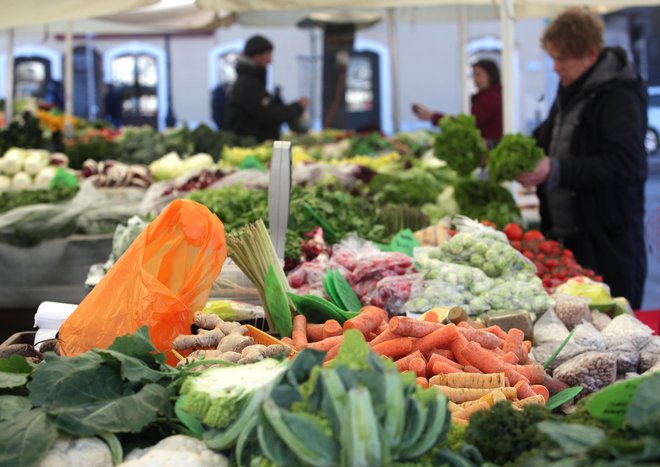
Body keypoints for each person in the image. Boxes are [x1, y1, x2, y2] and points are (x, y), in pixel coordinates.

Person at [517, 8, 648, 308]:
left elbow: (626, 164)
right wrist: (511, 154)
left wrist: (555, 169)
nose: (555, 67)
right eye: (553, 58)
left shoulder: (619, 96)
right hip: (571, 239)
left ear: (590, 54)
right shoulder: (571, 90)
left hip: (607, 241)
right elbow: (546, 136)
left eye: (562, 58)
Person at [227, 35, 309, 142]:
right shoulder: (248, 85)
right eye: (268, 54)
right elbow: (270, 114)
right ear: (257, 56)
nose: (271, 60)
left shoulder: (252, 81)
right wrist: (297, 107)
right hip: (251, 147)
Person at [413, 59, 503, 144]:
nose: (475, 79)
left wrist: (434, 116)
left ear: (491, 76)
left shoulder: (491, 98)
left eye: (479, 75)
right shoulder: (489, 96)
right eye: (474, 75)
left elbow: (466, 124)